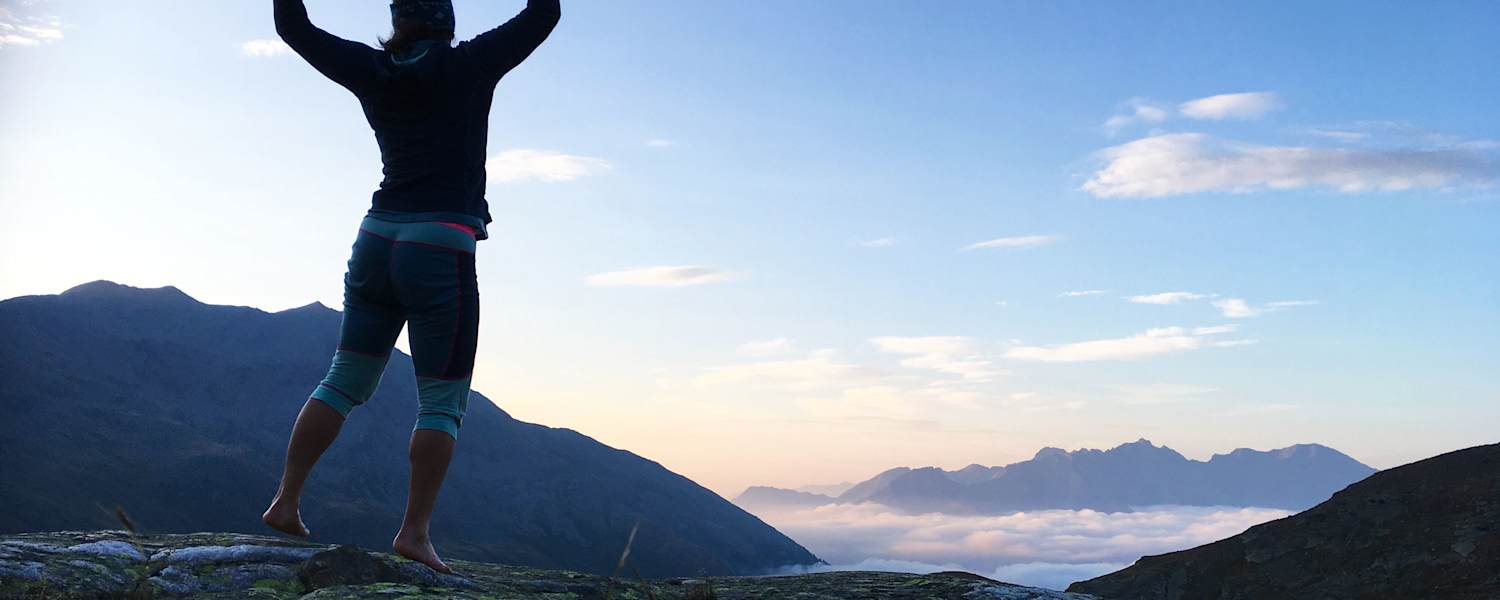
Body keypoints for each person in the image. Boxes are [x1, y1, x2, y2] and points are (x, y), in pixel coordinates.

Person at [260, 0, 560, 574]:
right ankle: (414, 532)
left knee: (344, 378)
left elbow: (291, 26)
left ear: (398, 23)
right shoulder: (470, 64)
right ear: (447, 22)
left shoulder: (372, 69)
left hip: (375, 240)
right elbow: (544, 12)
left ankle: (286, 501)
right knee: (442, 401)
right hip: (439, 248)